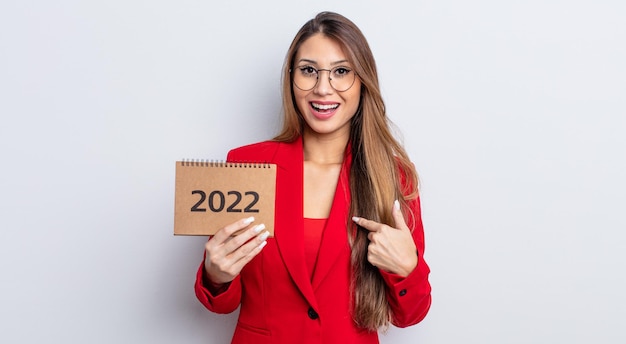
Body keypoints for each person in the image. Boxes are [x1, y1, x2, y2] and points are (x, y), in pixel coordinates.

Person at [195, 11, 431, 343]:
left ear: (363, 81)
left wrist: (407, 269)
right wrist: (216, 276)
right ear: (292, 78)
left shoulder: (393, 177)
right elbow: (223, 303)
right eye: (309, 71)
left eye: (341, 72)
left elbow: (411, 315)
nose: (323, 88)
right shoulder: (245, 165)